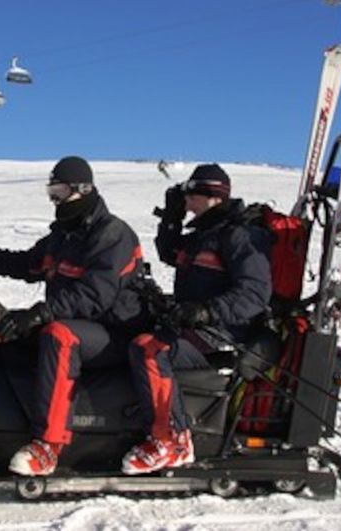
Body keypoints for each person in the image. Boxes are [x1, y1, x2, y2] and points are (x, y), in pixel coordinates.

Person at [0, 156, 149, 477]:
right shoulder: (65, 234)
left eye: (61, 191)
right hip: (79, 322)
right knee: (4, 330)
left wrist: (41, 314)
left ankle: (49, 446)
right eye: (51, 192)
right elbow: (28, 264)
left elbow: (96, 295)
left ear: (84, 189)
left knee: (58, 336)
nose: (55, 200)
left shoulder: (112, 234)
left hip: (115, 331)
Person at [123, 163, 272, 475]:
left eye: (192, 196)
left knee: (149, 349)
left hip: (225, 334)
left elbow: (255, 295)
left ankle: (173, 441)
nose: (187, 203)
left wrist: (206, 310)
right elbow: (168, 252)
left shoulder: (239, 237)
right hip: (194, 326)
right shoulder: (204, 234)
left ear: (214, 197)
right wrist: (171, 217)